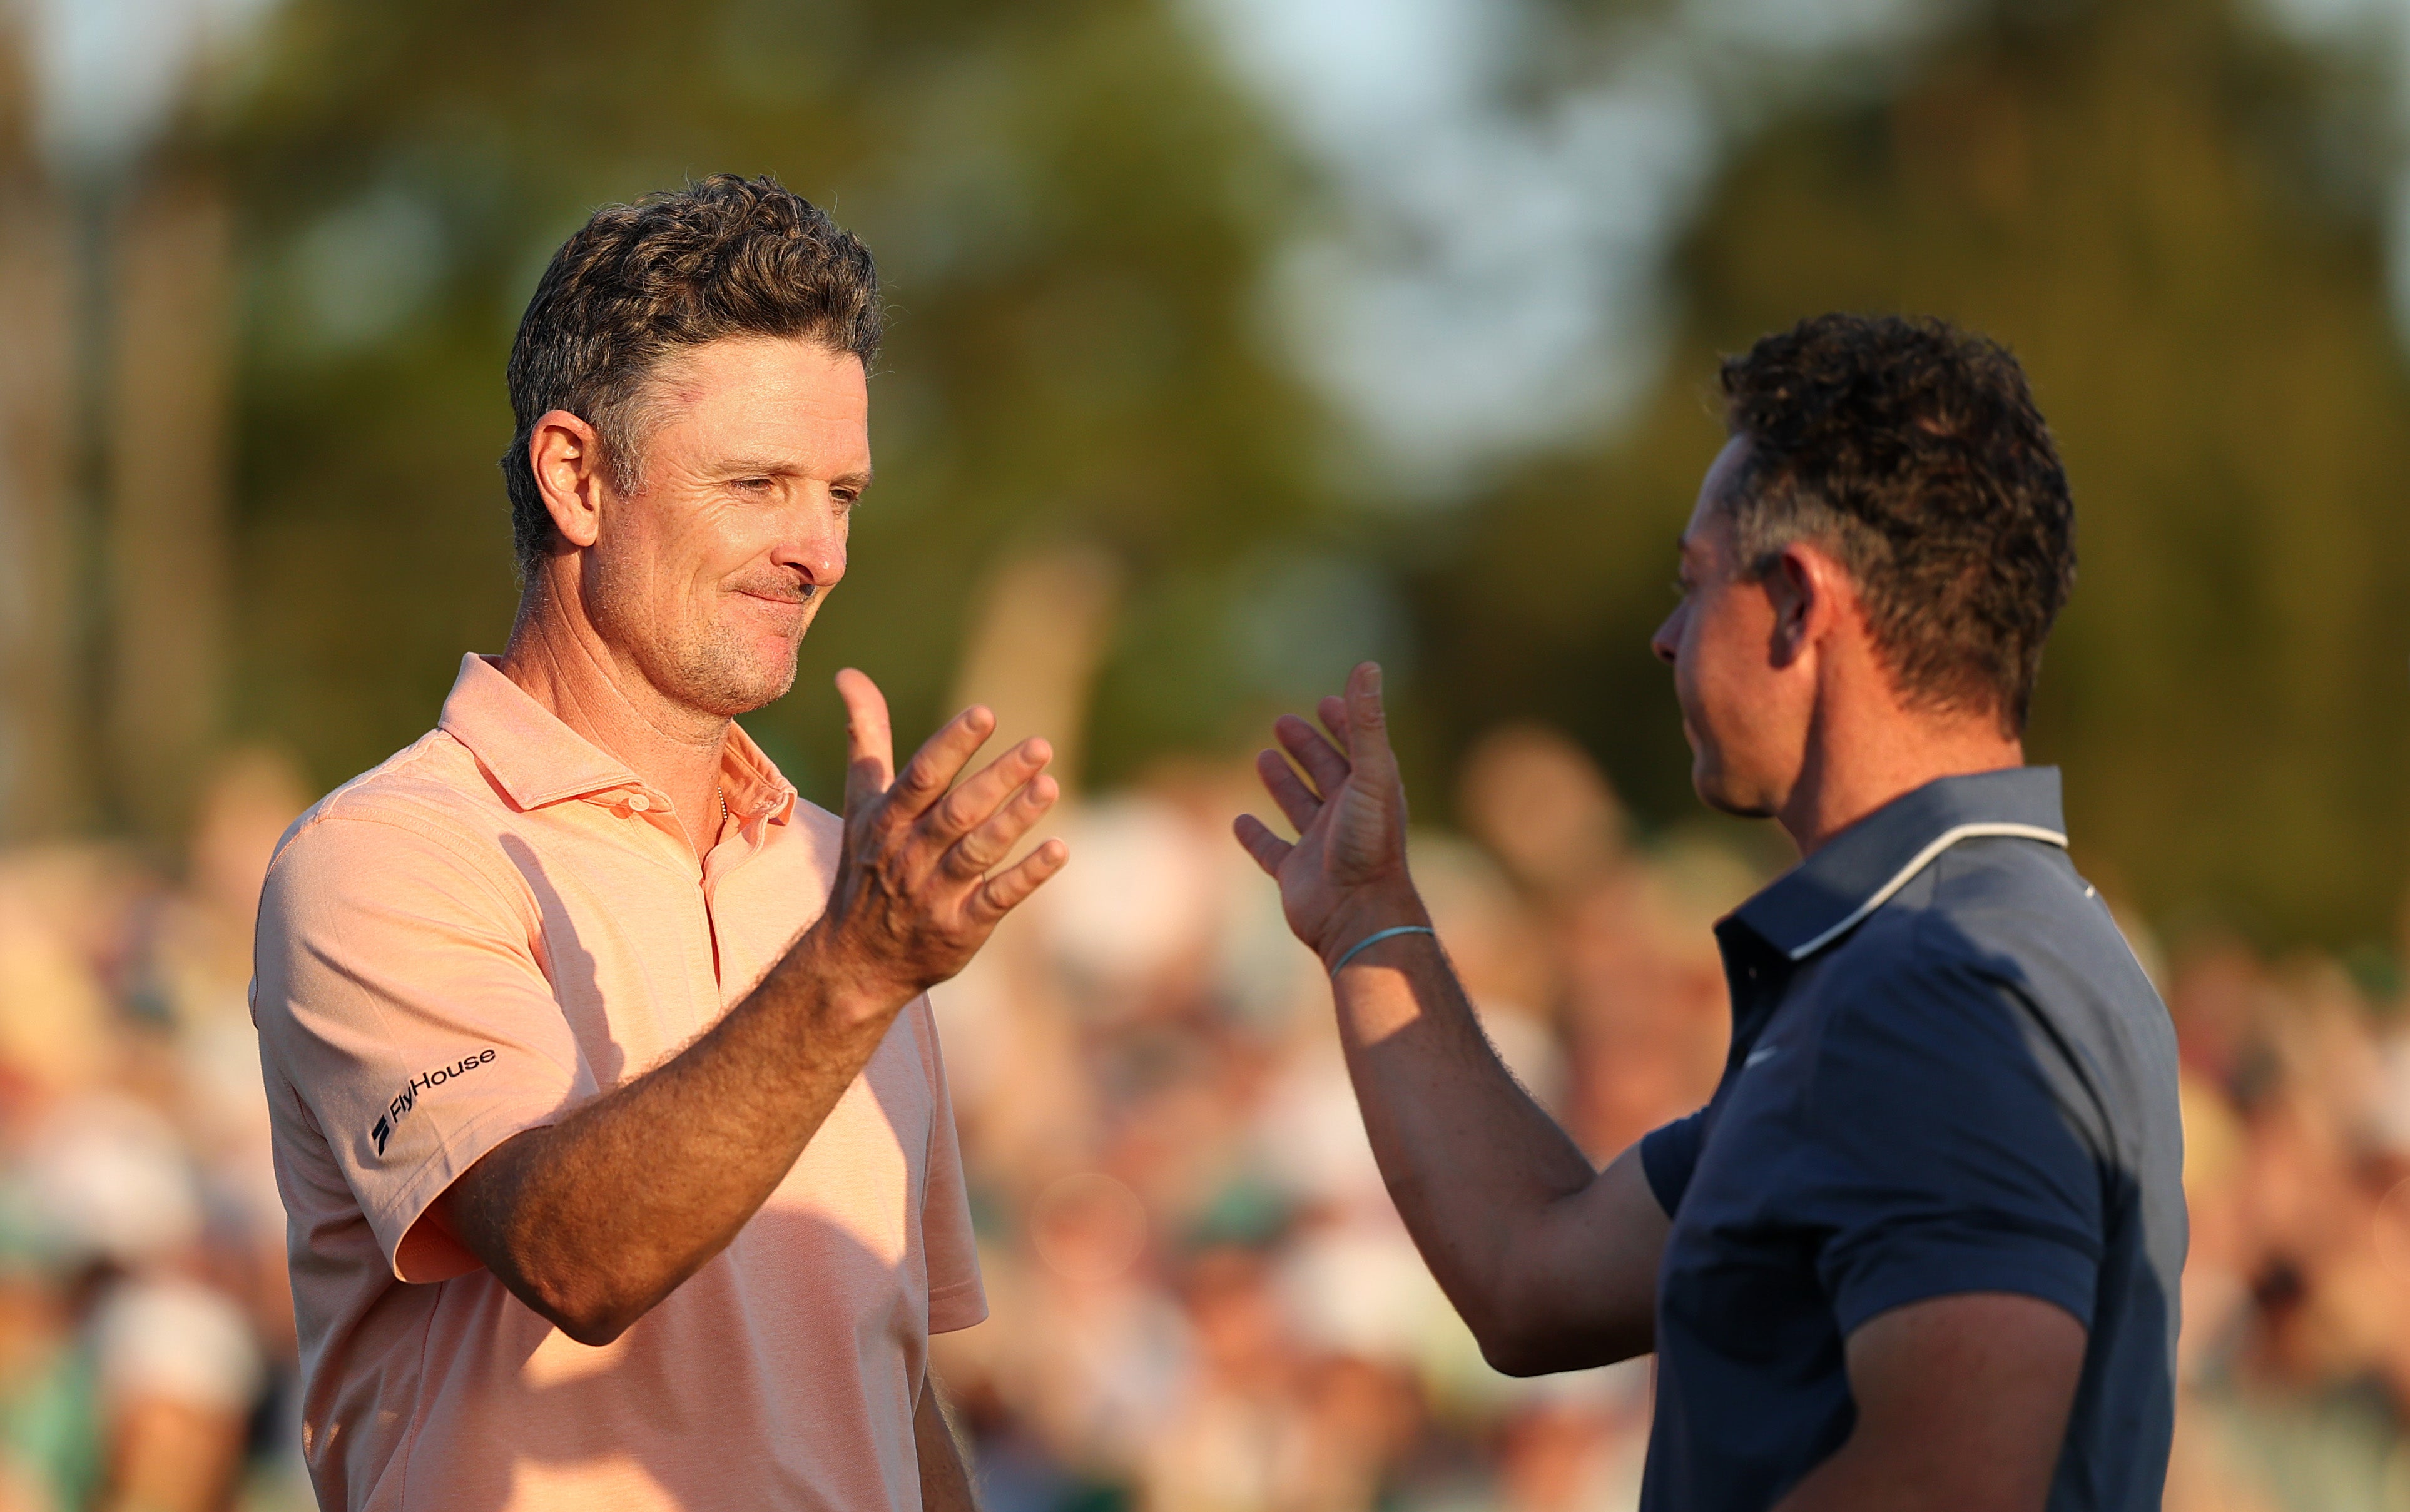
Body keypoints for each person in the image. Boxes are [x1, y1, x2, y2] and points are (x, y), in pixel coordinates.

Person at [1235, 314, 2184, 1511]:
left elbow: (1956, 1480)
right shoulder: (1944, 949)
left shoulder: (1938, 979)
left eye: (1694, 583)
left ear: (1795, 603)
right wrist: (1373, 921)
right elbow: (1534, 1275)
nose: (1666, 635)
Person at [251, 175, 1068, 1511]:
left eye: (843, 495)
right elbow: (578, 1260)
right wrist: (858, 968)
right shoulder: (388, 853)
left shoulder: (846, 881)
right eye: (760, 485)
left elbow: (880, 1382)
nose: (821, 554)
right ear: (576, 476)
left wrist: (860, 945)